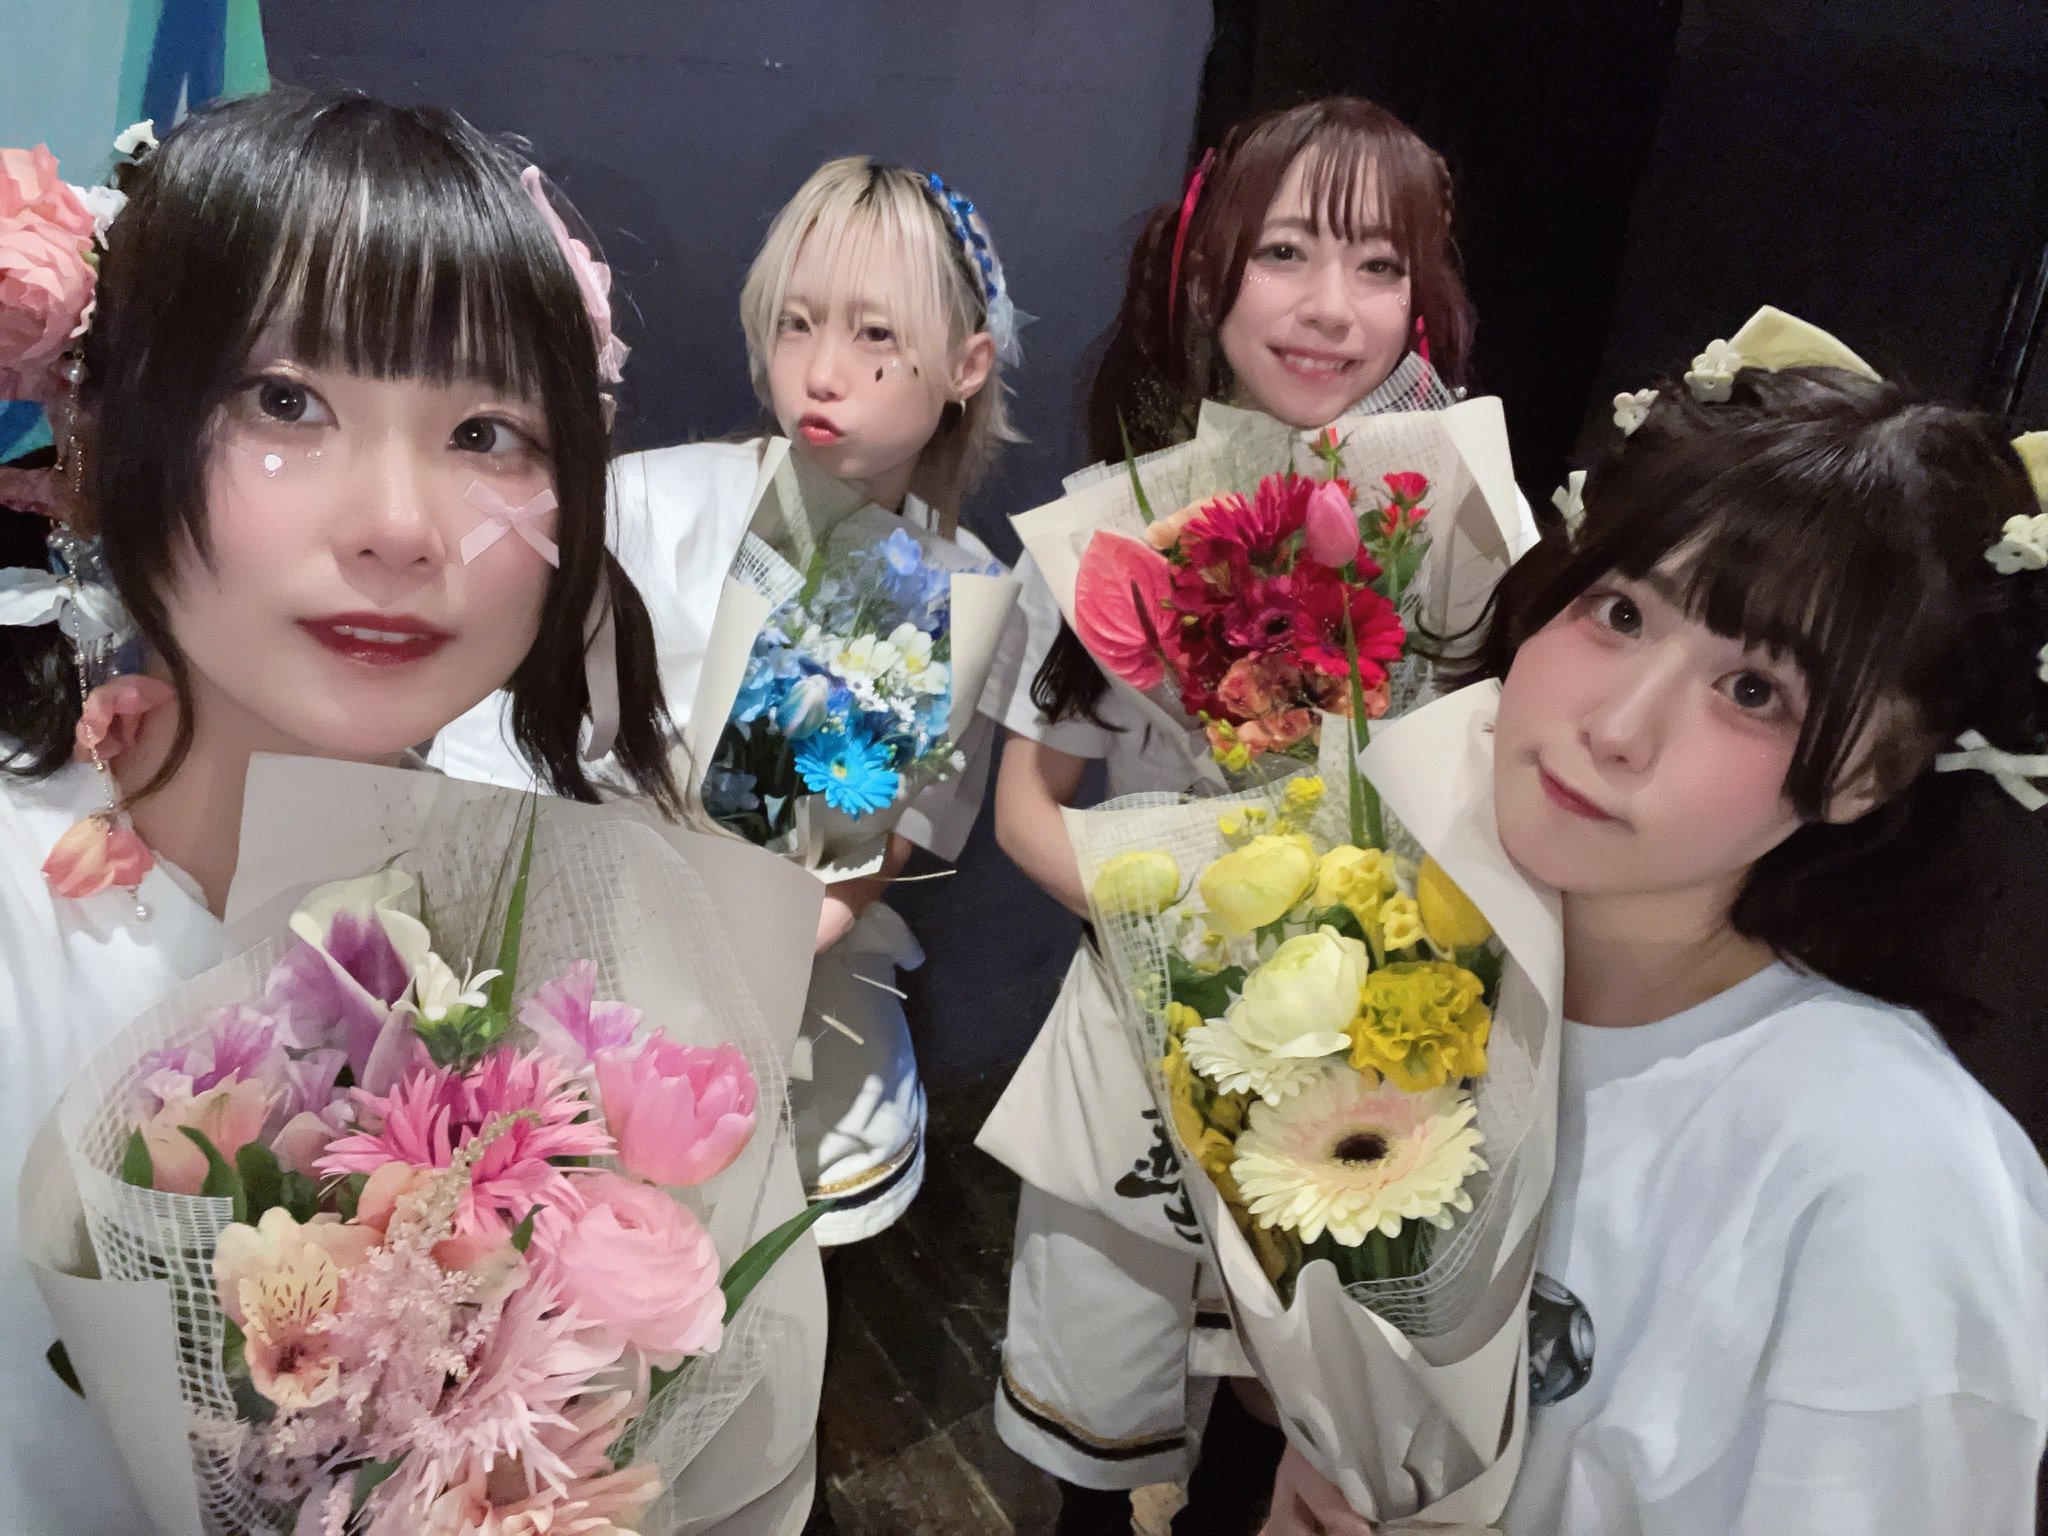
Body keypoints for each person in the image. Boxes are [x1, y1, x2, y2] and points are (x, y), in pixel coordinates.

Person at [0, 90, 816, 1532]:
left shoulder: (592, 954)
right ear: (109, 421)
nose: (399, 524)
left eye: (487, 430)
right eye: (285, 401)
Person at [1263, 326, 2048, 1534]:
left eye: (1753, 691)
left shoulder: (1890, 1180)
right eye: (1620, 612)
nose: (1617, 727)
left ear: (1866, 776)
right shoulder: (1415, 945)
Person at [976, 96, 1497, 1533]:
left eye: (1380, 265)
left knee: (1293, 1422)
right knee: (1100, 1418)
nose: (1332, 306)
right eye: (1286, 253)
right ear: (1209, 277)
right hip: (1139, 1039)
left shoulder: (1457, 530)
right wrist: (1204, 943)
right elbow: (1025, 806)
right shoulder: (1109, 522)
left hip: (1356, 1073)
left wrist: (1351, 965)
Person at [434, 153, 1023, 1246]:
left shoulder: (969, 593)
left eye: (875, 333)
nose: (821, 371)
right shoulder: (650, 504)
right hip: (566, 989)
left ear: (966, 364)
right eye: (795, 324)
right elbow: (483, 748)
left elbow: (881, 849)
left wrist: (761, 949)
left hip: (792, 1019)